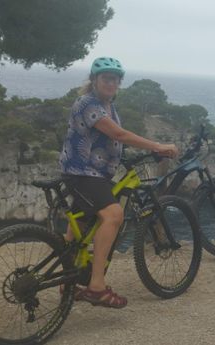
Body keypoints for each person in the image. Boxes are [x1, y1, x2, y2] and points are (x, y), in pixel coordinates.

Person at [59, 57, 178, 308]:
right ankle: (97, 286)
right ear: (94, 80)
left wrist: (129, 153)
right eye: (106, 78)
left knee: (79, 224)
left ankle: (67, 280)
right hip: (83, 173)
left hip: (93, 174)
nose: (111, 83)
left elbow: (112, 140)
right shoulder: (88, 103)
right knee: (114, 215)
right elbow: (119, 134)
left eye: (115, 79)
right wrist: (157, 146)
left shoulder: (108, 105)